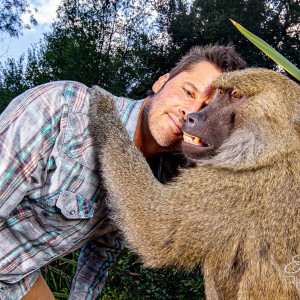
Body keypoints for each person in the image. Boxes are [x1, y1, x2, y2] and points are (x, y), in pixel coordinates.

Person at [0, 45, 247, 300]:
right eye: (188, 91)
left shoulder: (153, 180)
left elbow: (104, 251)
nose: (191, 113)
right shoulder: (62, 108)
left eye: (207, 110)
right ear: (162, 81)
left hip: (19, 276)